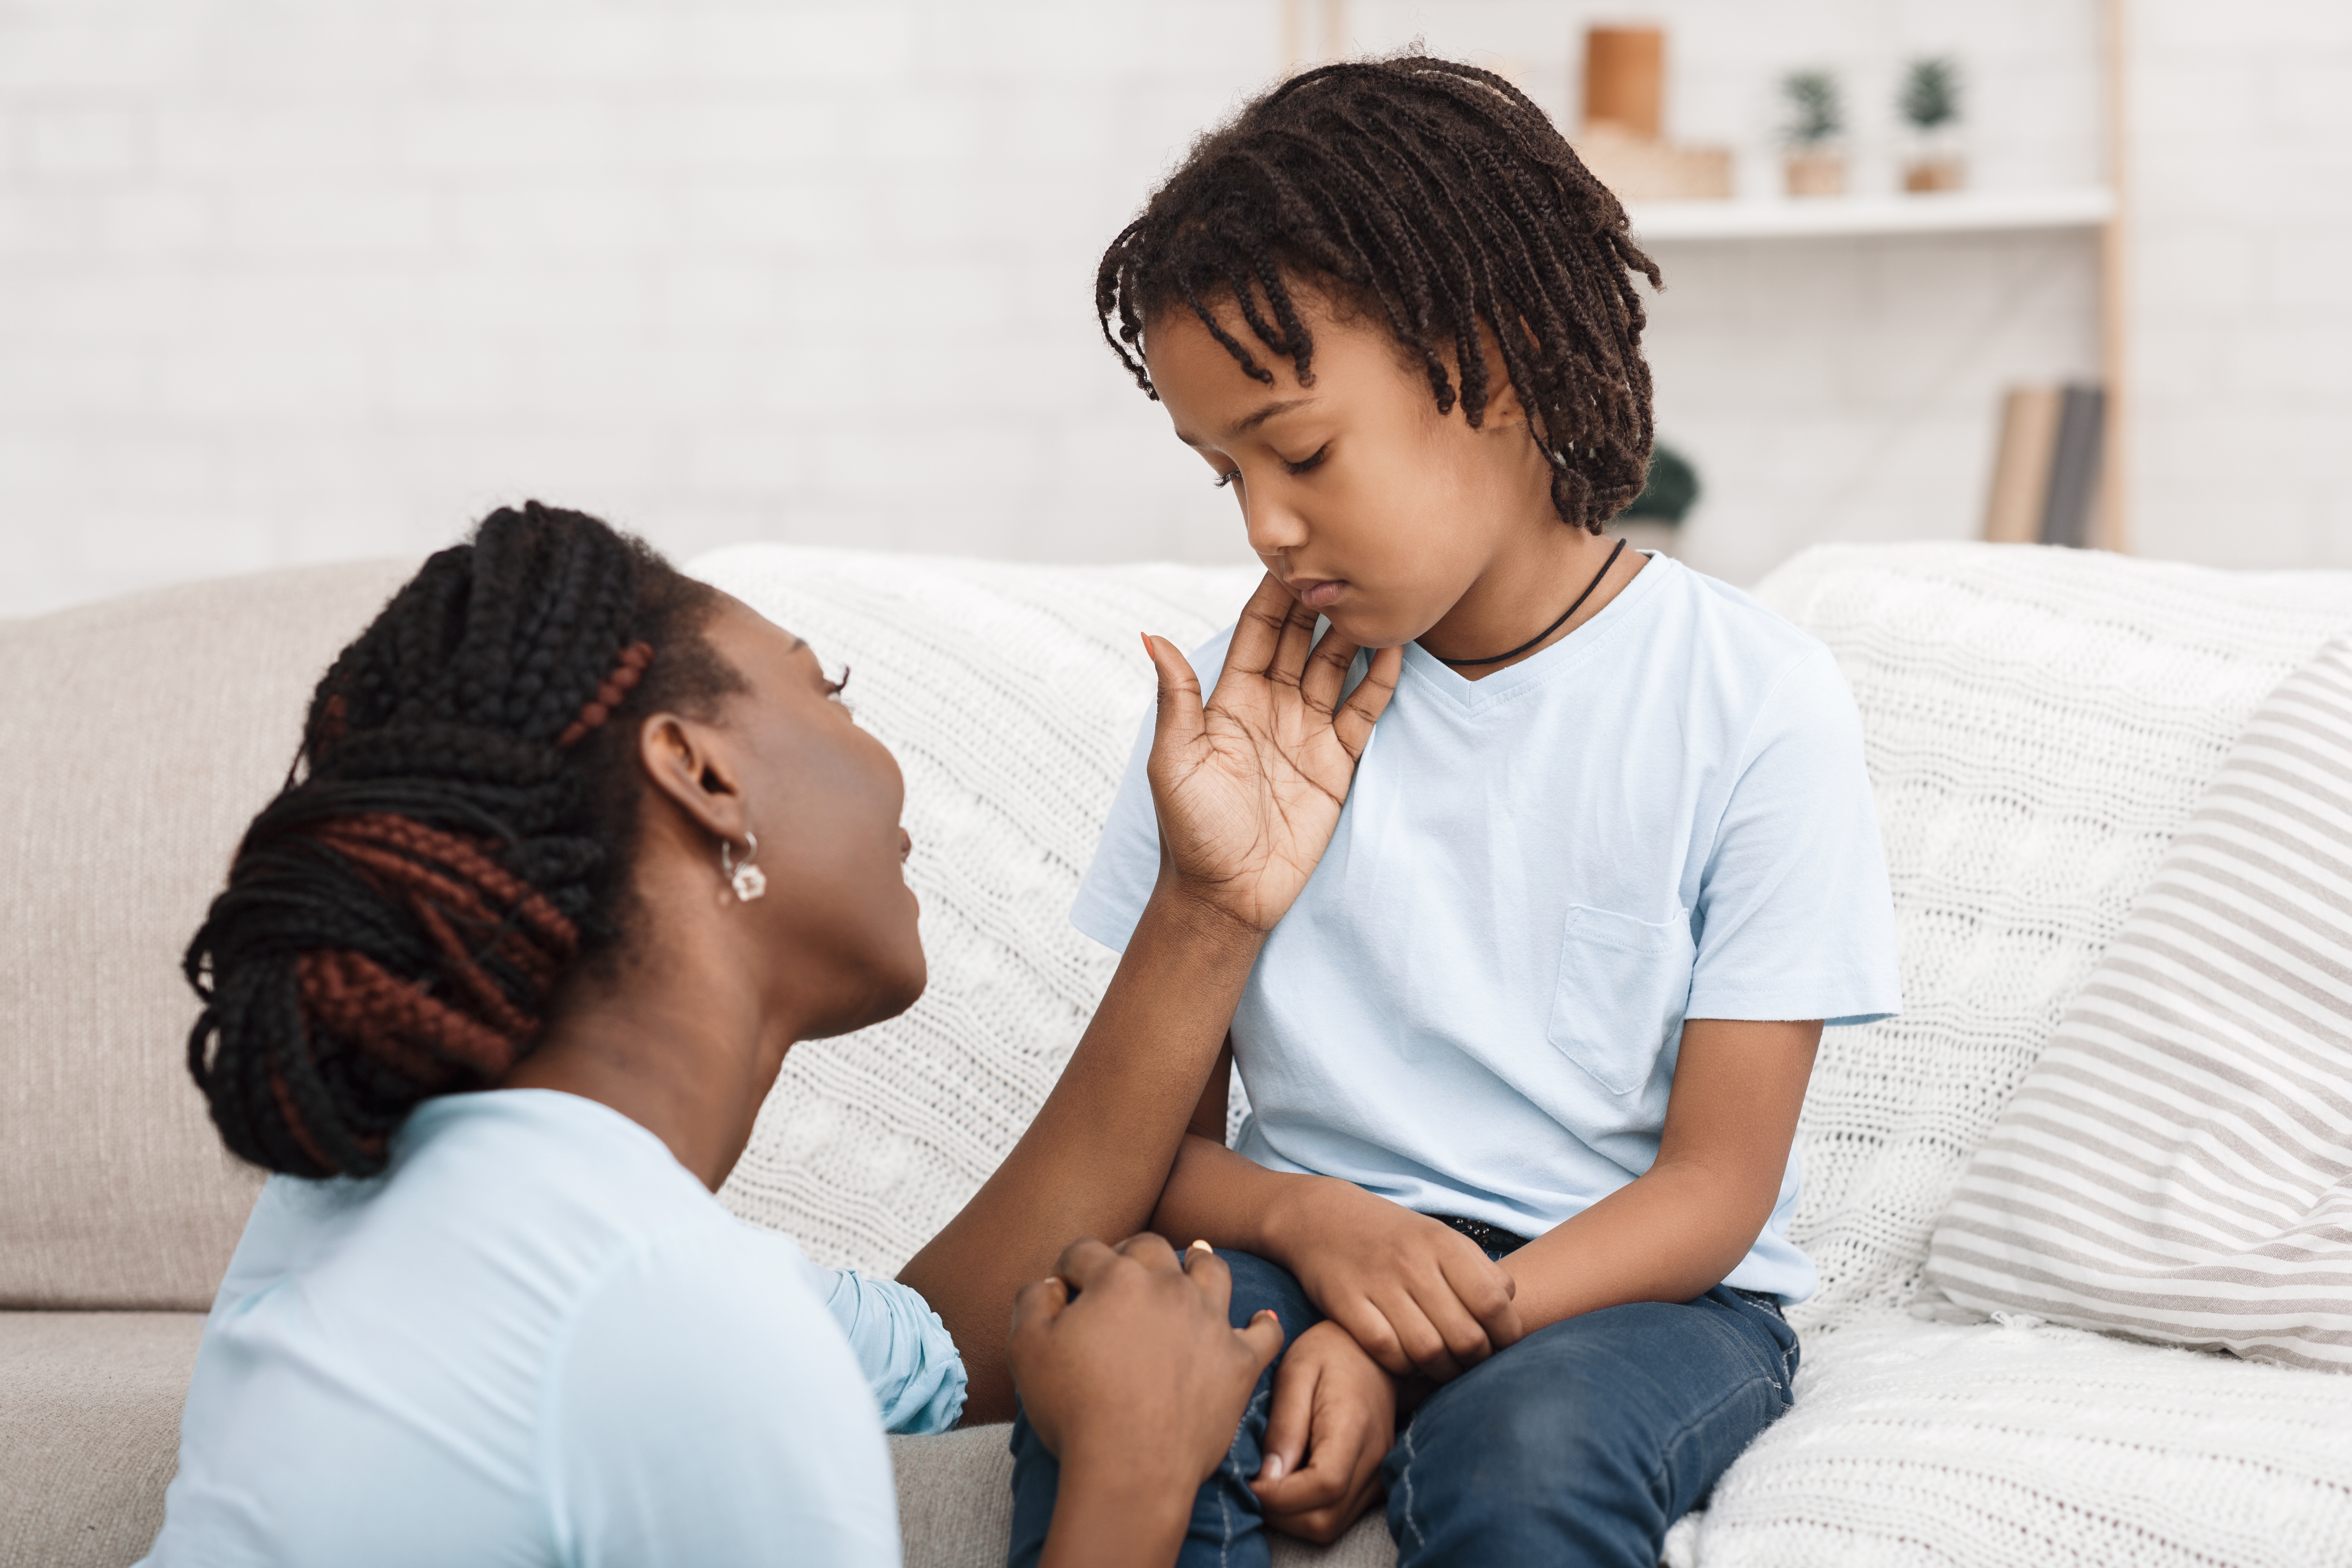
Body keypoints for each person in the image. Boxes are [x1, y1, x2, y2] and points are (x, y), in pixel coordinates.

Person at [1006, 55, 1903, 1568]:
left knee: (1533, 1450)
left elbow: (1715, 1186)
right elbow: (1160, 1151)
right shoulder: (1252, 725)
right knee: (1122, 1370)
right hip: (1309, 1248)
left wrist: (1411, 1336)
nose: (1266, 526)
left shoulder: (1752, 699)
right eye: (1223, 473)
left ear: (1493, 359)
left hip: (1640, 1299)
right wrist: (1320, 1238)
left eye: (1298, 451)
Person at [139, 500, 1401, 1567]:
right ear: (704, 776)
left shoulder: (396, 1194)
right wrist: (1132, 1474)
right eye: (829, 692)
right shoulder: (672, 1314)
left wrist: (1211, 904)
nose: (884, 758)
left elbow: (954, 1347)